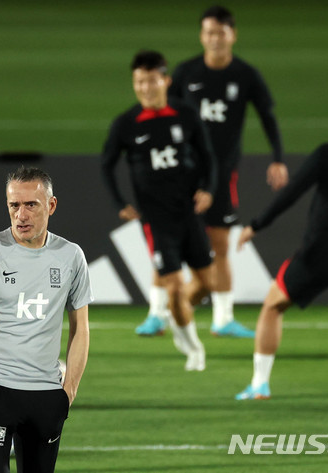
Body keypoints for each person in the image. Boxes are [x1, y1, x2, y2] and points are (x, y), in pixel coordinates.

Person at [134, 5, 288, 339]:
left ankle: (222, 318)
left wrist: (278, 157)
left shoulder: (246, 75)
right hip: (180, 176)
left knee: (219, 243)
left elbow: (268, 115)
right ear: (201, 36)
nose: (214, 38)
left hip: (220, 175)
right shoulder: (187, 71)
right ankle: (156, 314)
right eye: (208, 32)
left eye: (220, 32)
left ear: (232, 34)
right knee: (168, 243)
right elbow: (161, 114)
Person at [235, 89, 328, 400]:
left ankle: (259, 384)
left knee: (273, 306)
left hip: (318, 254)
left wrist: (255, 225)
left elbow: (291, 193)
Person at [0, 166, 92, 473]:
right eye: (14, 206)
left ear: (51, 206)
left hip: (46, 393)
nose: (21, 215)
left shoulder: (71, 256)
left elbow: (80, 329)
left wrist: (69, 390)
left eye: (32, 205)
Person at [101, 50, 217, 371]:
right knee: (175, 285)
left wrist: (207, 189)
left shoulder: (186, 114)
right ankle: (193, 347)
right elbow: (106, 165)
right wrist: (118, 203)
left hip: (189, 213)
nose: (145, 87)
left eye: (151, 80)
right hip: (156, 219)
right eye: (139, 81)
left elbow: (208, 156)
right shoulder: (126, 123)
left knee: (207, 284)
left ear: (165, 80)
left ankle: (174, 314)